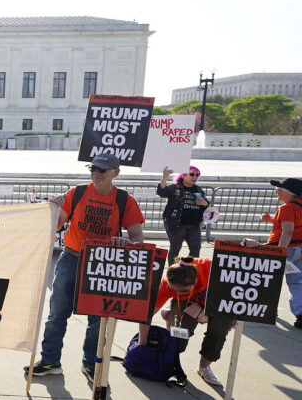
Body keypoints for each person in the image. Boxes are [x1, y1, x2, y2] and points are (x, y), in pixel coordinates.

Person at [26, 153, 145, 379]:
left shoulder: (124, 200)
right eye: (93, 169)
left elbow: (137, 236)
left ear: (115, 173)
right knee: (56, 314)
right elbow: (57, 224)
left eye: (102, 170)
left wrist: (127, 243)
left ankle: (91, 363)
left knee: (97, 320)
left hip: (102, 264)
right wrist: (51, 208)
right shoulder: (77, 192)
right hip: (70, 258)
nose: (96, 173)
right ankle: (50, 361)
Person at [138, 256, 233, 386]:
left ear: (195, 280)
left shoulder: (210, 268)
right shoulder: (167, 285)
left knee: (218, 334)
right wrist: (141, 344)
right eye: (174, 290)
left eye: (183, 291)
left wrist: (253, 246)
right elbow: (146, 315)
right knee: (179, 334)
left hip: (219, 300)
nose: (177, 292)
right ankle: (170, 360)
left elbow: (243, 265)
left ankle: (204, 368)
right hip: (188, 303)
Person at [245, 177, 302, 327]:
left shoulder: (287, 208)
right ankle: (301, 314)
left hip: (285, 248)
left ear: (291, 193)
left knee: (267, 279)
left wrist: (280, 252)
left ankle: (266, 309)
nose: (276, 192)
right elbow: (294, 226)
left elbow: (287, 232)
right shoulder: (298, 206)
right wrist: (271, 220)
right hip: (299, 248)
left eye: (279, 190)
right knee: (297, 281)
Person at [157, 165, 209, 264]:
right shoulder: (175, 188)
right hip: (177, 225)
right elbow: (161, 192)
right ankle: (173, 272)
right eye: (192, 174)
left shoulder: (198, 190)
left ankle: (189, 271)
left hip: (194, 226)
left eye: (197, 174)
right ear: (183, 175)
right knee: (175, 248)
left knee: (195, 248)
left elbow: (206, 204)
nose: (195, 177)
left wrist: (204, 203)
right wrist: (164, 177)